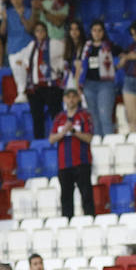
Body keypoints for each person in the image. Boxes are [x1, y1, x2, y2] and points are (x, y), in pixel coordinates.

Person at [49, 87, 94, 218]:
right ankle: (67, 223)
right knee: (66, 197)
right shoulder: (59, 118)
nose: (71, 99)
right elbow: (51, 139)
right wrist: (63, 132)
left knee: (86, 195)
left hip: (82, 162)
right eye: (68, 97)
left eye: (74, 97)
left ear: (78, 98)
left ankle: (90, 220)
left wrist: (73, 131)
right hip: (64, 164)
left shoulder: (84, 116)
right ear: (64, 99)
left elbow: (89, 138)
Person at [20, 22, 64, 139]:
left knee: (56, 115)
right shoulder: (31, 46)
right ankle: (39, 141)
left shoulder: (55, 44)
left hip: (51, 85)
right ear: (34, 33)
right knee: (37, 117)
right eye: (37, 31)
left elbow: (65, 56)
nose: (40, 33)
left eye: (42, 30)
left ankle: (58, 138)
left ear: (46, 32)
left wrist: (59, 67)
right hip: (35, 87)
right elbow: (25, 62)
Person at [77, 19, 119, 137]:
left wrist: (116, 68)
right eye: (94, 30)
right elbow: (80, 66)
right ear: (91, 32)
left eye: (100, 30)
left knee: (105, 115)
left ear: (103, 32)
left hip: (105, 84)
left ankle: (110, 145)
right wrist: (78, 85)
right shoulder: (86, 47)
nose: (97, 33)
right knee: (94, 119)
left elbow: (124, 55)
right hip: (89, 85)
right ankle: (98, 148)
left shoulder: (109, 46)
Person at [4, 0, 38, 97]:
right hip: (13, 47)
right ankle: (22, 93)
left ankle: (29, 92)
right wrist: (4, 19)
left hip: (28, 44)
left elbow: (30, 29)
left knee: (30, 69)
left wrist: (21, 16)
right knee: (18, 70)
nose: (16, 0)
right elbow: (2, 32)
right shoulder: (7, 12)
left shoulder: (29, 11)